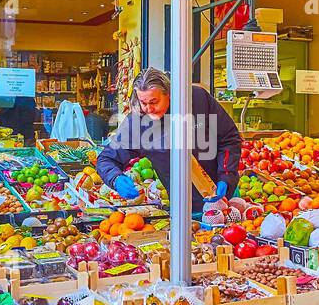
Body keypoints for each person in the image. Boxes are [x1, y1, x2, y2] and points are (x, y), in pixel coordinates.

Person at [96, 67, 241, 212]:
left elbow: (229, 138)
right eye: (143, 102)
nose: (148, 108)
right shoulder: (138, 121)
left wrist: (226, 176)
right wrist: (115, 178)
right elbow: (106, 159)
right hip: (182, 204)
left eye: (154, 102)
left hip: (223, 195)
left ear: (169, 94)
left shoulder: (198, 99)